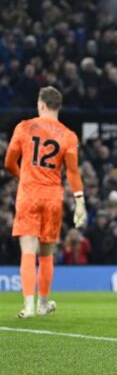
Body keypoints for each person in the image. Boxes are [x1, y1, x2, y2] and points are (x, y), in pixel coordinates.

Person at [4, 86, 87, 318]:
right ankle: (43, 304)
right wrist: (80, 202)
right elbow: (72, 173)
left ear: (41, 105)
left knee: (27, 251)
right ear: (58, 106)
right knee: (46, 253)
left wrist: (23, 176)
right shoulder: (69, 136)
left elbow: (9, 162)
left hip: (29, 194)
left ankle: (28, 305)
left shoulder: (24, 127)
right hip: (52, 197)